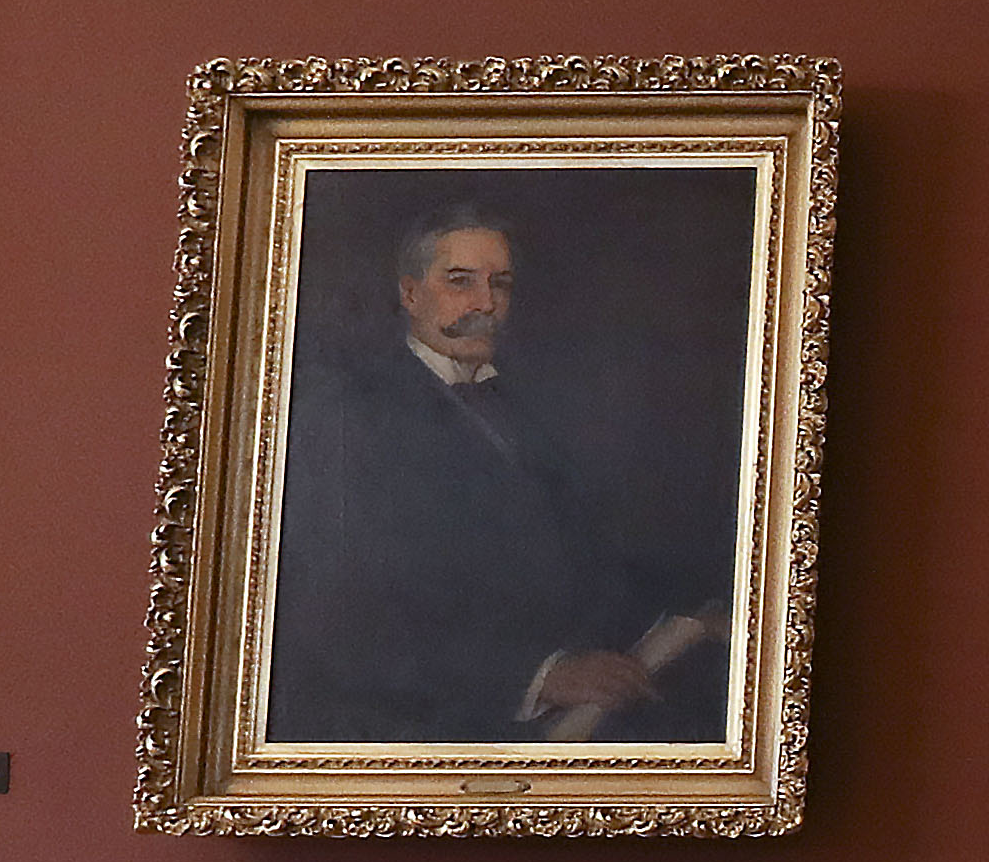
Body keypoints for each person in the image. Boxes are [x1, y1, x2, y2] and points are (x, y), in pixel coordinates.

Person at [265, 196, 728, 745]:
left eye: (500, 284)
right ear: (410, 294)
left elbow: (579, 552)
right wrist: (541, 678)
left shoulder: (514, 403)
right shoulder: (350, 417)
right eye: (460, 281)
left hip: (572, 706)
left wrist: (686, 613)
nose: (485, 303)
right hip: (425, 730)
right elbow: (341, 623)